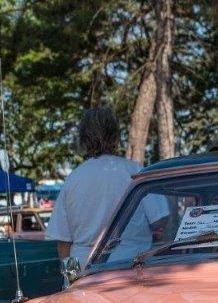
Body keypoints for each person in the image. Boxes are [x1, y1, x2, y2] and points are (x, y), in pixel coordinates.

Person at [45, 107, 146, 266]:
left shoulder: (74, 178)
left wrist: (71, 278)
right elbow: (161, 221)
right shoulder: (135, 171)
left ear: (83, 138)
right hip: (134, 265)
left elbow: (63, 242)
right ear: (115, 136)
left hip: (87, 269)